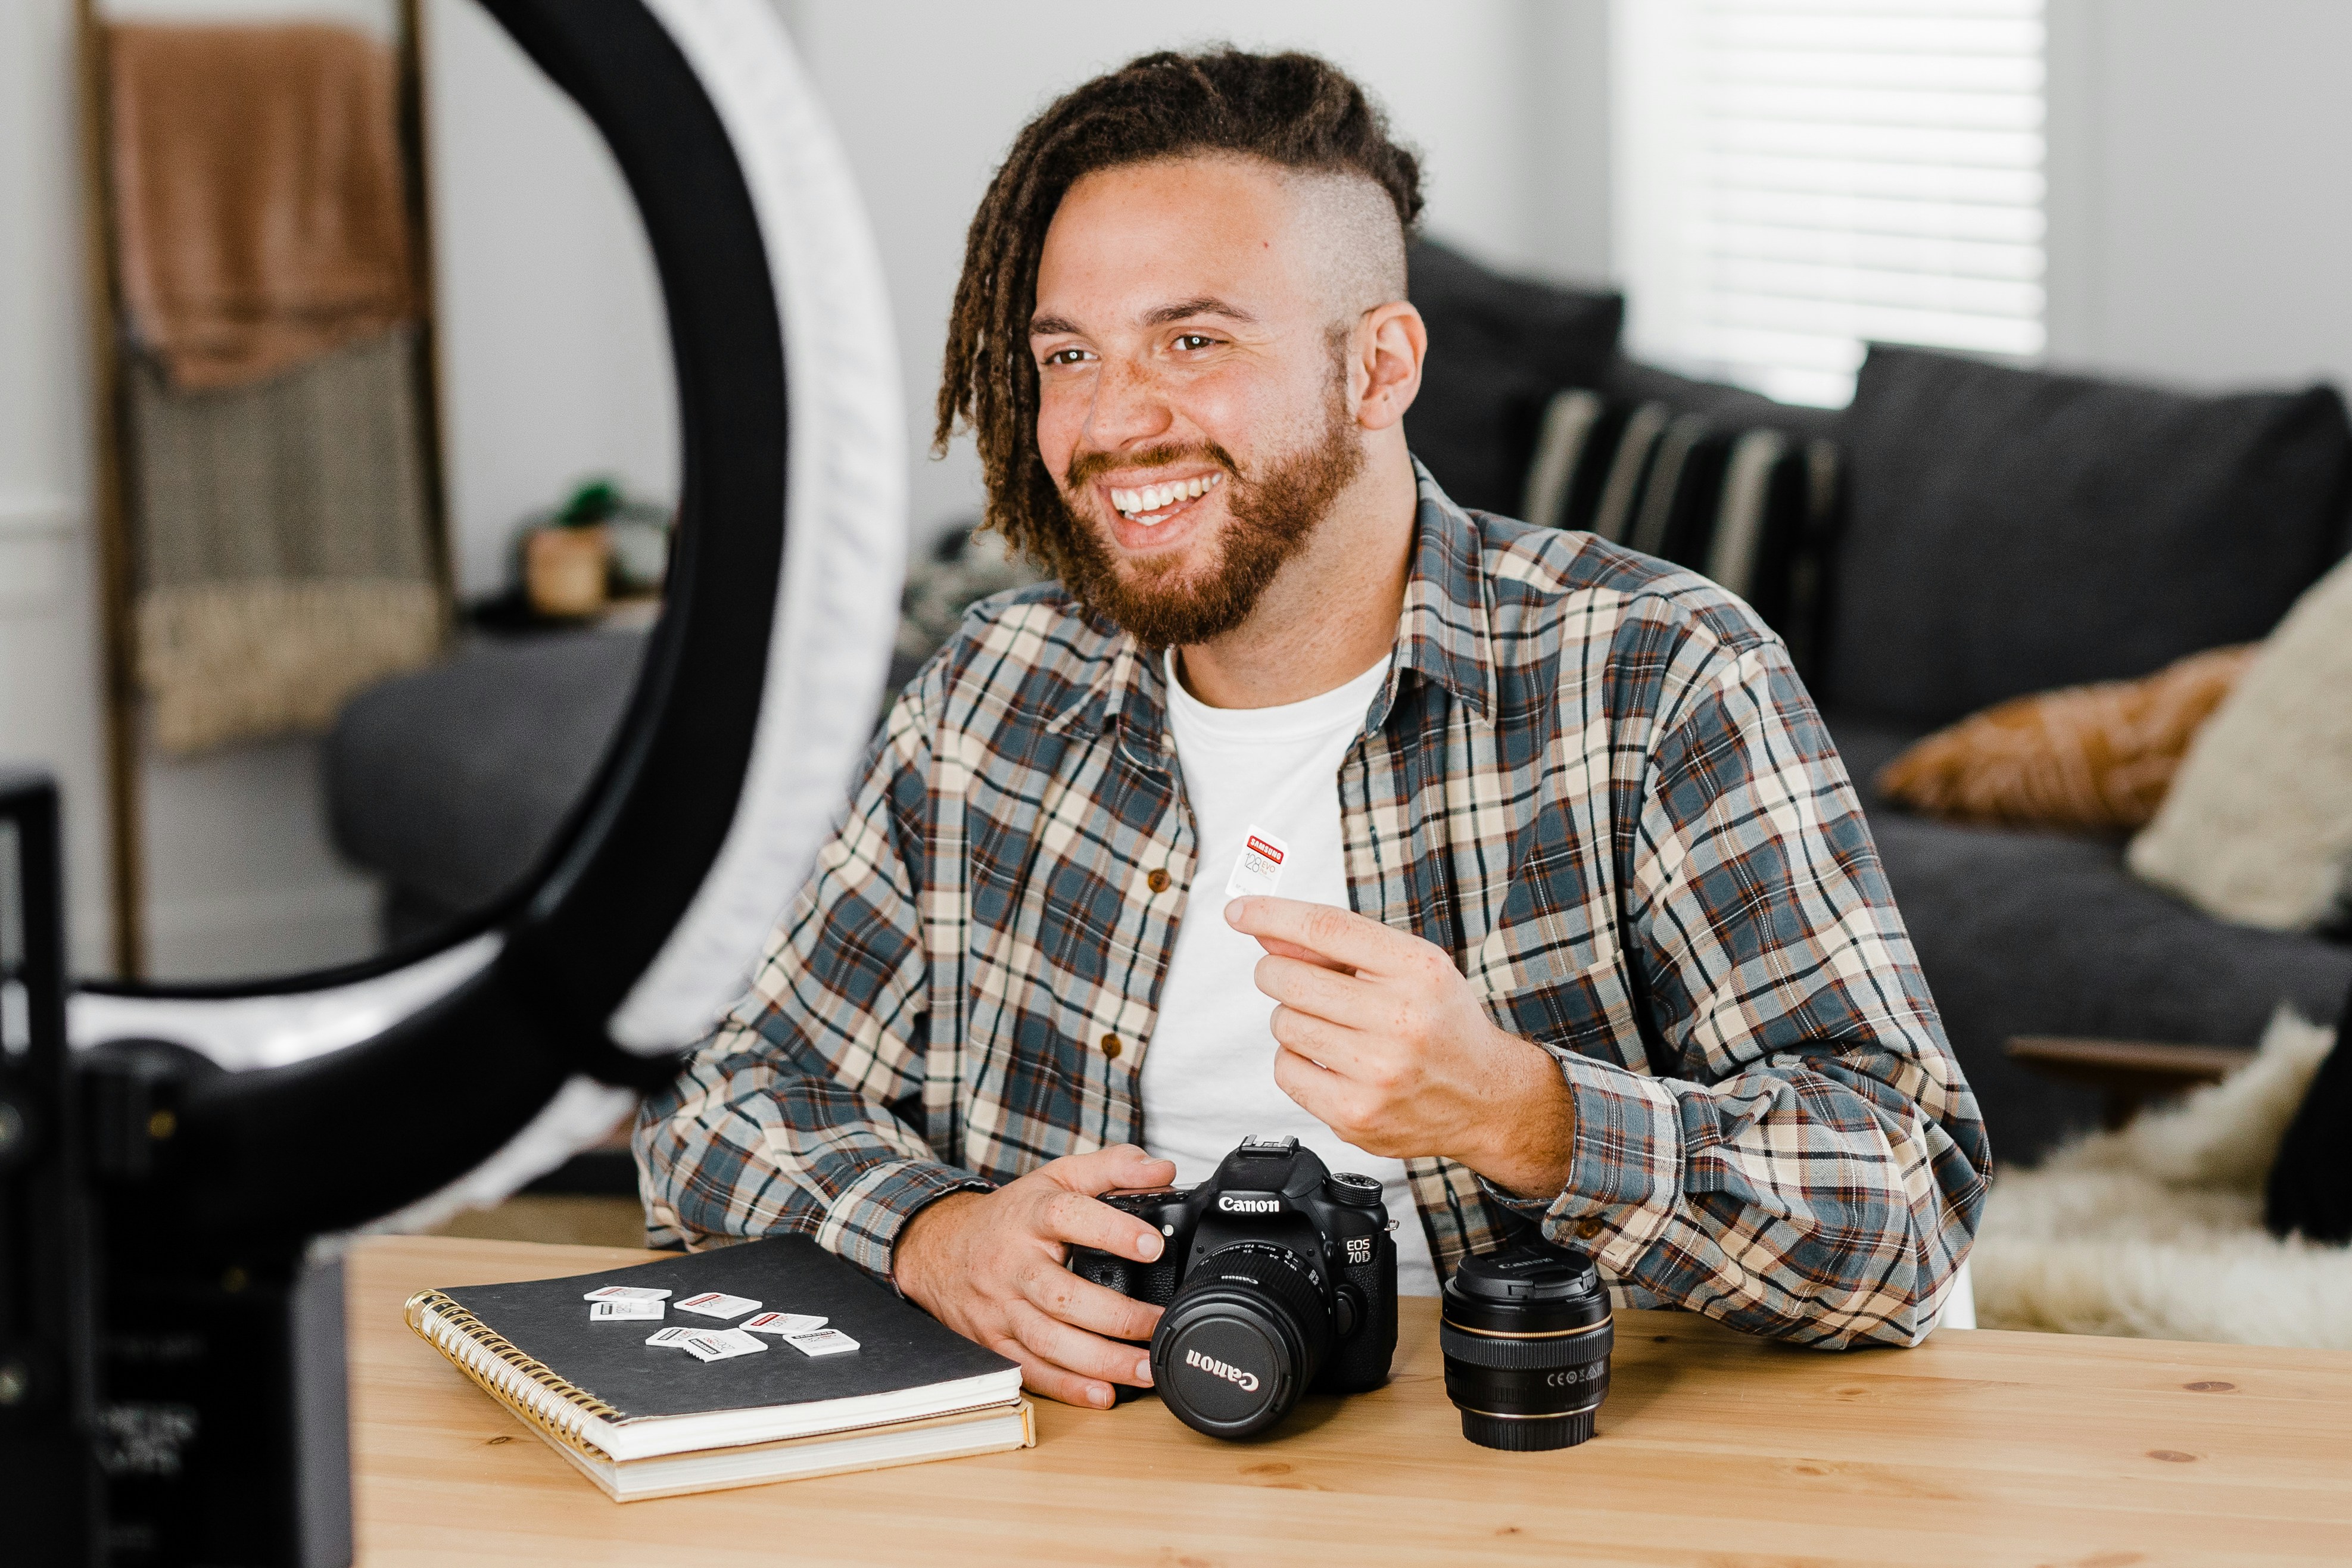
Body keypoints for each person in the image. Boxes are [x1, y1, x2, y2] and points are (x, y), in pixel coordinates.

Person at [637, 46, 1987, 1409]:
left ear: (1379, 366)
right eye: (1068, 355)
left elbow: (1909, 1210)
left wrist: (1521, 1110)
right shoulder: (991, 695)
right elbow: (720, 1107)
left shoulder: (1653, 674)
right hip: (1075, 1492)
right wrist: (931, 1238)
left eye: (1194, 340)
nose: (1112, 423)